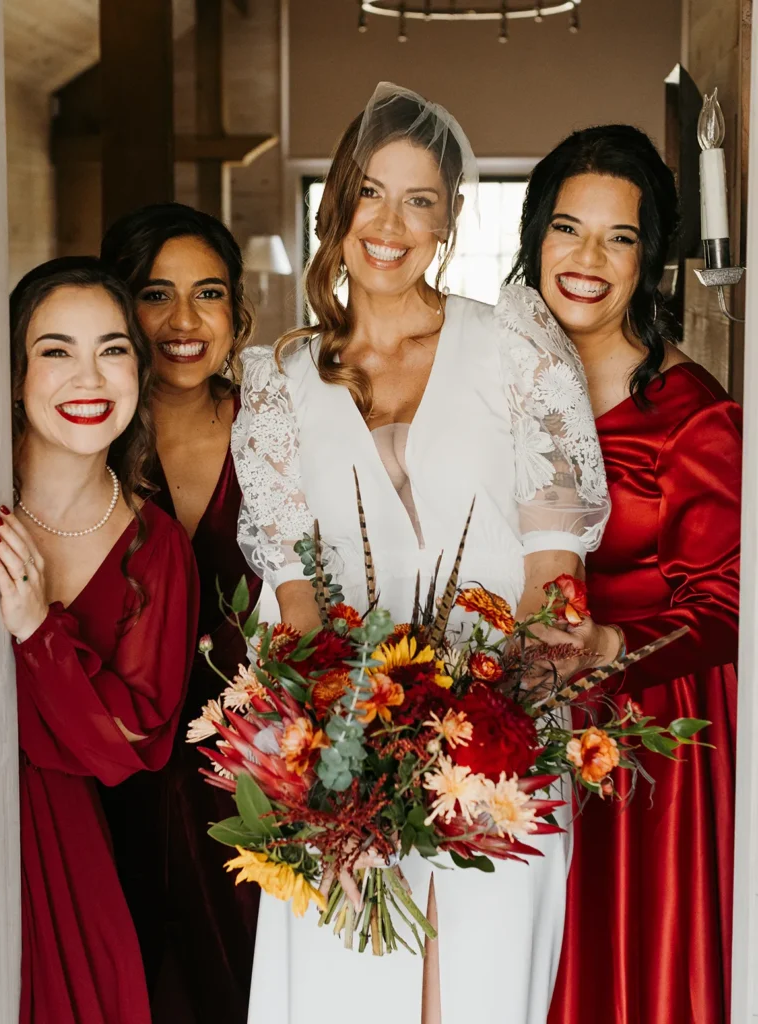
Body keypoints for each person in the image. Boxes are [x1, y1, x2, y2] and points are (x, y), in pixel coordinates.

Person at [232, 83, 612, 1024]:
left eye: (420, 200)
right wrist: (337, 755)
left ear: (448, 219)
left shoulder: (515, 349)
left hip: (496, 749)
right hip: (343, 762)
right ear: (337, 207)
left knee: (476, 996)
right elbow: (295, 602)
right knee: (341, 995)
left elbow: (551, 572)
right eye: (370, 193)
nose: (389, 223)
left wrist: (490, 726)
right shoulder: (280, 382)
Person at [506, 125, 741, 1024]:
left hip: (649, 742)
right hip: (517, 722)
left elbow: (724, 611)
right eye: (567, 229)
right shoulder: (504, 389)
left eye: (620, 237)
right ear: (535, 237)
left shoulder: (695, 417)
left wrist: (611, 646)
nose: (587, 259)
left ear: (654, 258)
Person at [0, 257, 199, 1024]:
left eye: (112, 350)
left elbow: (128, 741)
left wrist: (38, 632)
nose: (89, 377)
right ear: (13, 374)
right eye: (56, 351)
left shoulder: (157, 547)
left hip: (67, 854)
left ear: (139, 374)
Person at [100, 204, 262, 1023]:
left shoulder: (276, 432)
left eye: (209, 294)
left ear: (238, 312)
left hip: (251, 779)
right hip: (114, 775)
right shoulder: (82, 442)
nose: (185, 322)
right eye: (156, 294)